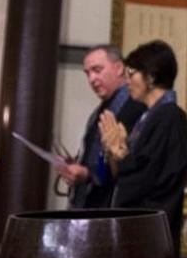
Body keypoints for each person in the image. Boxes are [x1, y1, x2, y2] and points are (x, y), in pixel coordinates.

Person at [99, 39, 187, 257]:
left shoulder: (170, 116)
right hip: (136, 229)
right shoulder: (146, 117)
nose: (127, 81)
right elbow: (125, 175)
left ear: (150, 77)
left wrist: (120, 154)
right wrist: (114, 152)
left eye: (132, 74)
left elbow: (147, 177)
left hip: (151, 236)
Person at [57, 44, 146, 208]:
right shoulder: (101, 109)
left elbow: (130, 166)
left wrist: (88, 174)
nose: (91, 79)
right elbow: (96, 154)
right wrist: (76, 163)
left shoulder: (135, 106)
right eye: (88, 73)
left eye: (97, 70)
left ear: (119, 68)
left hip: (111, 207)